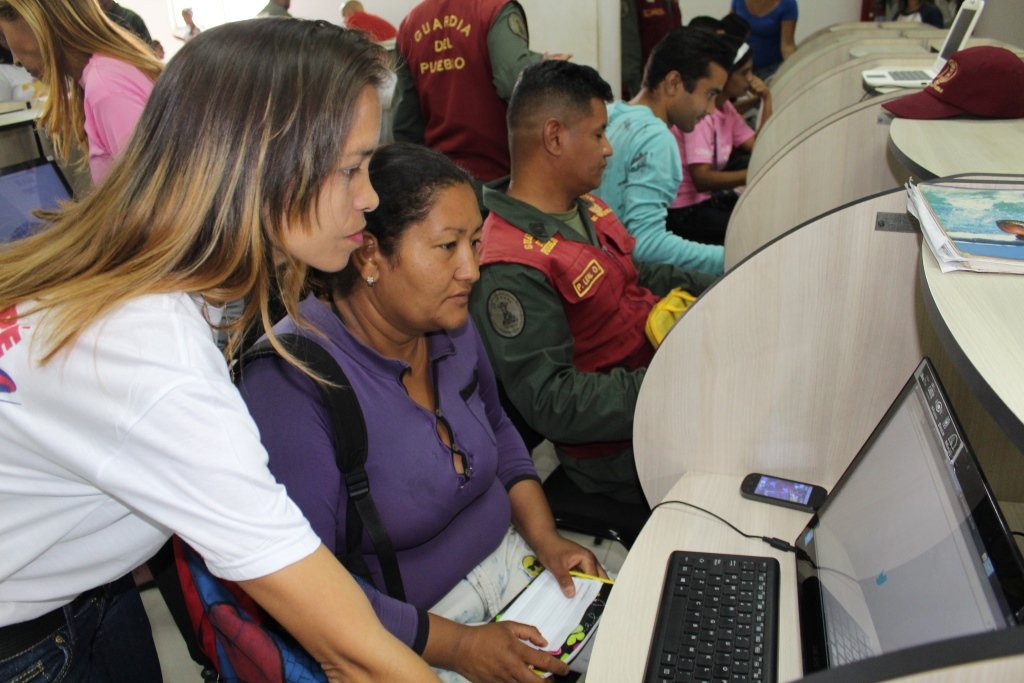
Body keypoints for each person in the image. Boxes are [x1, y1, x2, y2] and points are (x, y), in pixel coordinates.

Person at [0, 19, 438, 683]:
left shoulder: (143, 267)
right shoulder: (149, 355)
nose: (370, 197)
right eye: (351, 168)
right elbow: (350, 647)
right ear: (261, 165)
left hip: (74, 591)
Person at [240, 141, 603, 682]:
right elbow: (311, 586)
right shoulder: (294, 381)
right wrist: (458, 648)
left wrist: (545, 537)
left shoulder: (448, 325)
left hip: (512, 564)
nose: (472, 270)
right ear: (369, 256)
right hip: (407, 634)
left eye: (476, 243)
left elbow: (500, 430)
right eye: (448, 246)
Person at [469, 60, 716, 505]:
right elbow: (552, 401)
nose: (608, 149)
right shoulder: (510, 264)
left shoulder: (585, 207)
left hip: (662, 387)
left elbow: (636, 274)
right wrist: (671, 383)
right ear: (555, 137)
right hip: (622, 448)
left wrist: (724, 284)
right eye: (599, 134)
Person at [595, 27, 733, 276]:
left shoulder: (611, 112)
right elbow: (645, 246)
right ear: (674, 83)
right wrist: (731, 257)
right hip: (618, 274)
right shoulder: (656, 137)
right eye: (710, 94)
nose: (712, 109)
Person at [0, 0, 161, 183]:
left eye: (4, 38)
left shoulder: (105, 86)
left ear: (34, 18)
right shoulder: (103, 74)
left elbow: (156, 194)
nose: (15, 61)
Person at [393, 0, 544, 183]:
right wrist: (542, 64)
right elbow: (514, 82)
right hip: (501, 181)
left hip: (443, 182)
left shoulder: (410, 24)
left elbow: (406, 124)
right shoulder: (494, 9)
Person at [667, 39, 772, 245]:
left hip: (707, 199)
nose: (750, 80)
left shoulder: (726, 108)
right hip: (685, 210)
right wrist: (754, 176)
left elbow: (761, 147)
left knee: (762, 214)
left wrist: (766, 99)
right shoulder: (701, 116)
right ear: (725, 77)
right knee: (751, 232)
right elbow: (702, 179)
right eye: (744, 73)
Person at [620, 0, 683, 99]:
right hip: (642, 93)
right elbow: (629, 63)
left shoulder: (670, 3)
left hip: (668, 89)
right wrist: (640, 100)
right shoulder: (631, 3)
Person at [729, 0, 798, 79]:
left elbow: (787, 46)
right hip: (742, 68)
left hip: (773, 69)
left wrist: (793, 73)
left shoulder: (787, 4)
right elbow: (730, 34)